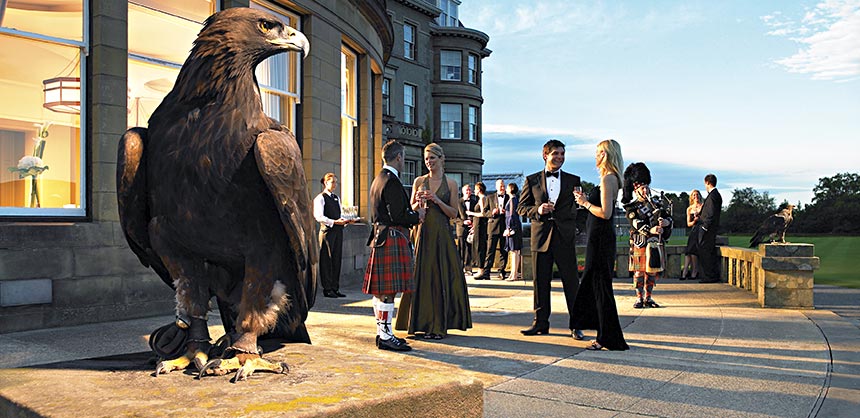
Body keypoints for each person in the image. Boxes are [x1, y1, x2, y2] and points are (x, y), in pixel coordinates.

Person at [395, 143, 472, 339]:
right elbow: (410, 208)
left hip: (443, 236)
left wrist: (437, 200)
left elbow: (454, 213)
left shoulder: (452, 184)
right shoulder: (419, 181)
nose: (428, 162)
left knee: (440, 279)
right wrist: (418, 202)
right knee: (422, 277)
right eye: (426, 159)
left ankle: (439, 326)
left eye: (432, 158)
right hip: (422, 233)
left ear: (441, 159)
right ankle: (420, 323)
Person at [362, 140, 426, 351]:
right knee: (387, 291)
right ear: (398, 157)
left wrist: (411, 207)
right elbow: (399, 215)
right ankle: (386, 336)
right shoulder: (392, 181)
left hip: (381, 235)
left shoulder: (378, 179)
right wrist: (418, 215)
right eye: (403, 158)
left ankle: (382, 334)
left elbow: (392, 210)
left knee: (381, 291)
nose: (403, 161)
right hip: (391, 236)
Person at [517, 139, 583, 338]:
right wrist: (538, 209)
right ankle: (540, 323)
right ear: (545, 155)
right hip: (541, 237)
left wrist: (576, 227)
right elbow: (521, 208)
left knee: (572, 283)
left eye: (562, 154)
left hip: (564, 237)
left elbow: (580, 208)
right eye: (556, 154)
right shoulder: (532, 180)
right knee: (540, 283)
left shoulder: (574, 180)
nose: (560, 157)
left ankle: (576, 324)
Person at [571, 139, 629, 351]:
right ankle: (605, 334)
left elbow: (605, 213)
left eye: (598, 153)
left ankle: (608, 337)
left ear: (605, 155)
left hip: (601, 239)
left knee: (600, 286)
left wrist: (585, 203)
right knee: (597, 286)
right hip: (601, 238)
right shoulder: (611, 178)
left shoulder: (608, 179)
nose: (595, 157)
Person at [621, 162, 672, 309]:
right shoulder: (632, 207)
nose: (645, 191)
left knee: (651, 271)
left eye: (646, 187)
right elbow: (635, 223)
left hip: (654, 244)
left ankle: (649, 297)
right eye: (642, 188)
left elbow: (669, 218)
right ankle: (639, 298)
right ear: (636, 190)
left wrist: (666, 224)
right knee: (639, 273)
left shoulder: (658, 205)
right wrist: (652, 230)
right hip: (639, 243)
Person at [313, 173, 355, 298]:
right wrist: (334, 222)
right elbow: (318, 216)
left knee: (336, 259)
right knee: (327, 259)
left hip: (338, 231)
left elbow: (339, 214)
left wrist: (345, 221)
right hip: (327, 232)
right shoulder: (320, 198)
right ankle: (327, 288)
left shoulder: (336, 198)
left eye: (336, 182)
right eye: (333, 182)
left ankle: (335, 287)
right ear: (326, 183)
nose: (335, 185)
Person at [474, 179, 509, 280]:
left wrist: (505, 212)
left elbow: (513, 211)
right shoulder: (490, 197)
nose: (502, 187)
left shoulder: (508, 197)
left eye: (503, 185)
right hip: (492, 227)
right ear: (496, 187)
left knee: (504, 250)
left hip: (504, 227)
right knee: (490, 250)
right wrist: (493, 213)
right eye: (500, 186)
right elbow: (485, 212)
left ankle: (502, 271)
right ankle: (486, 272)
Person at [698, 174, 722, 283]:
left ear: (707, 182)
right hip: (710, 229)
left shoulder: (712, 196)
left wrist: (704, 227)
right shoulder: (715, 195)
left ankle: (708, 277)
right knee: (708, 252)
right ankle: (709, 276)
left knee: (706, 253)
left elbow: (711, 213)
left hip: (708, 229)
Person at [466, 182, 489, 280]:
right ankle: (480, 269)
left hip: (481, 227)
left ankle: (481, 270)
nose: (474, 191)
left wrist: (471, 213)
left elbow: (483, 214)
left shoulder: (483, 198)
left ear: (479, 189)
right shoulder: (480, 199)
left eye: (475, 189)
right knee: (477, 246)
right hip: (477, 226)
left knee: (480, 247)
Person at [681, 189, 703, 280]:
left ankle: (693, 271)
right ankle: (686, 271)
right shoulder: (689, 209)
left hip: (701, 230)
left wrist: (700, 217)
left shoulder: (703, 206)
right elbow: (688, 224)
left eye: (697, 194)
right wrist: (694, 221)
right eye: (694, 195)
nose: (696, 196)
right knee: (688, 252)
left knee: (693, 252)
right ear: (691, 197)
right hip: (693, 230)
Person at [503, 182, 524, 282]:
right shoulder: (514, 200)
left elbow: (512, 215)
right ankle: (513, 273)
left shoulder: (512, 200)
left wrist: (509, 229)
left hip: (513, 228)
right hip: (514, 227)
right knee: (514, 251)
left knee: (515, 251)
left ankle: (514, 274)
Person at [456, 184, 478, 274]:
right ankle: (459, 268)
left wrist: (473, 223)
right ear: (463, 192)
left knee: (469, 248)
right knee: (461, 248)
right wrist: (463, 222)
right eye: (466, 190)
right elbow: (454, 217)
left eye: (469, 190)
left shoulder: (474, 202)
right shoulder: (458, 202)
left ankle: (468, 268)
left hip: (471, 229)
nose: (468, 192)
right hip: (461, 229)